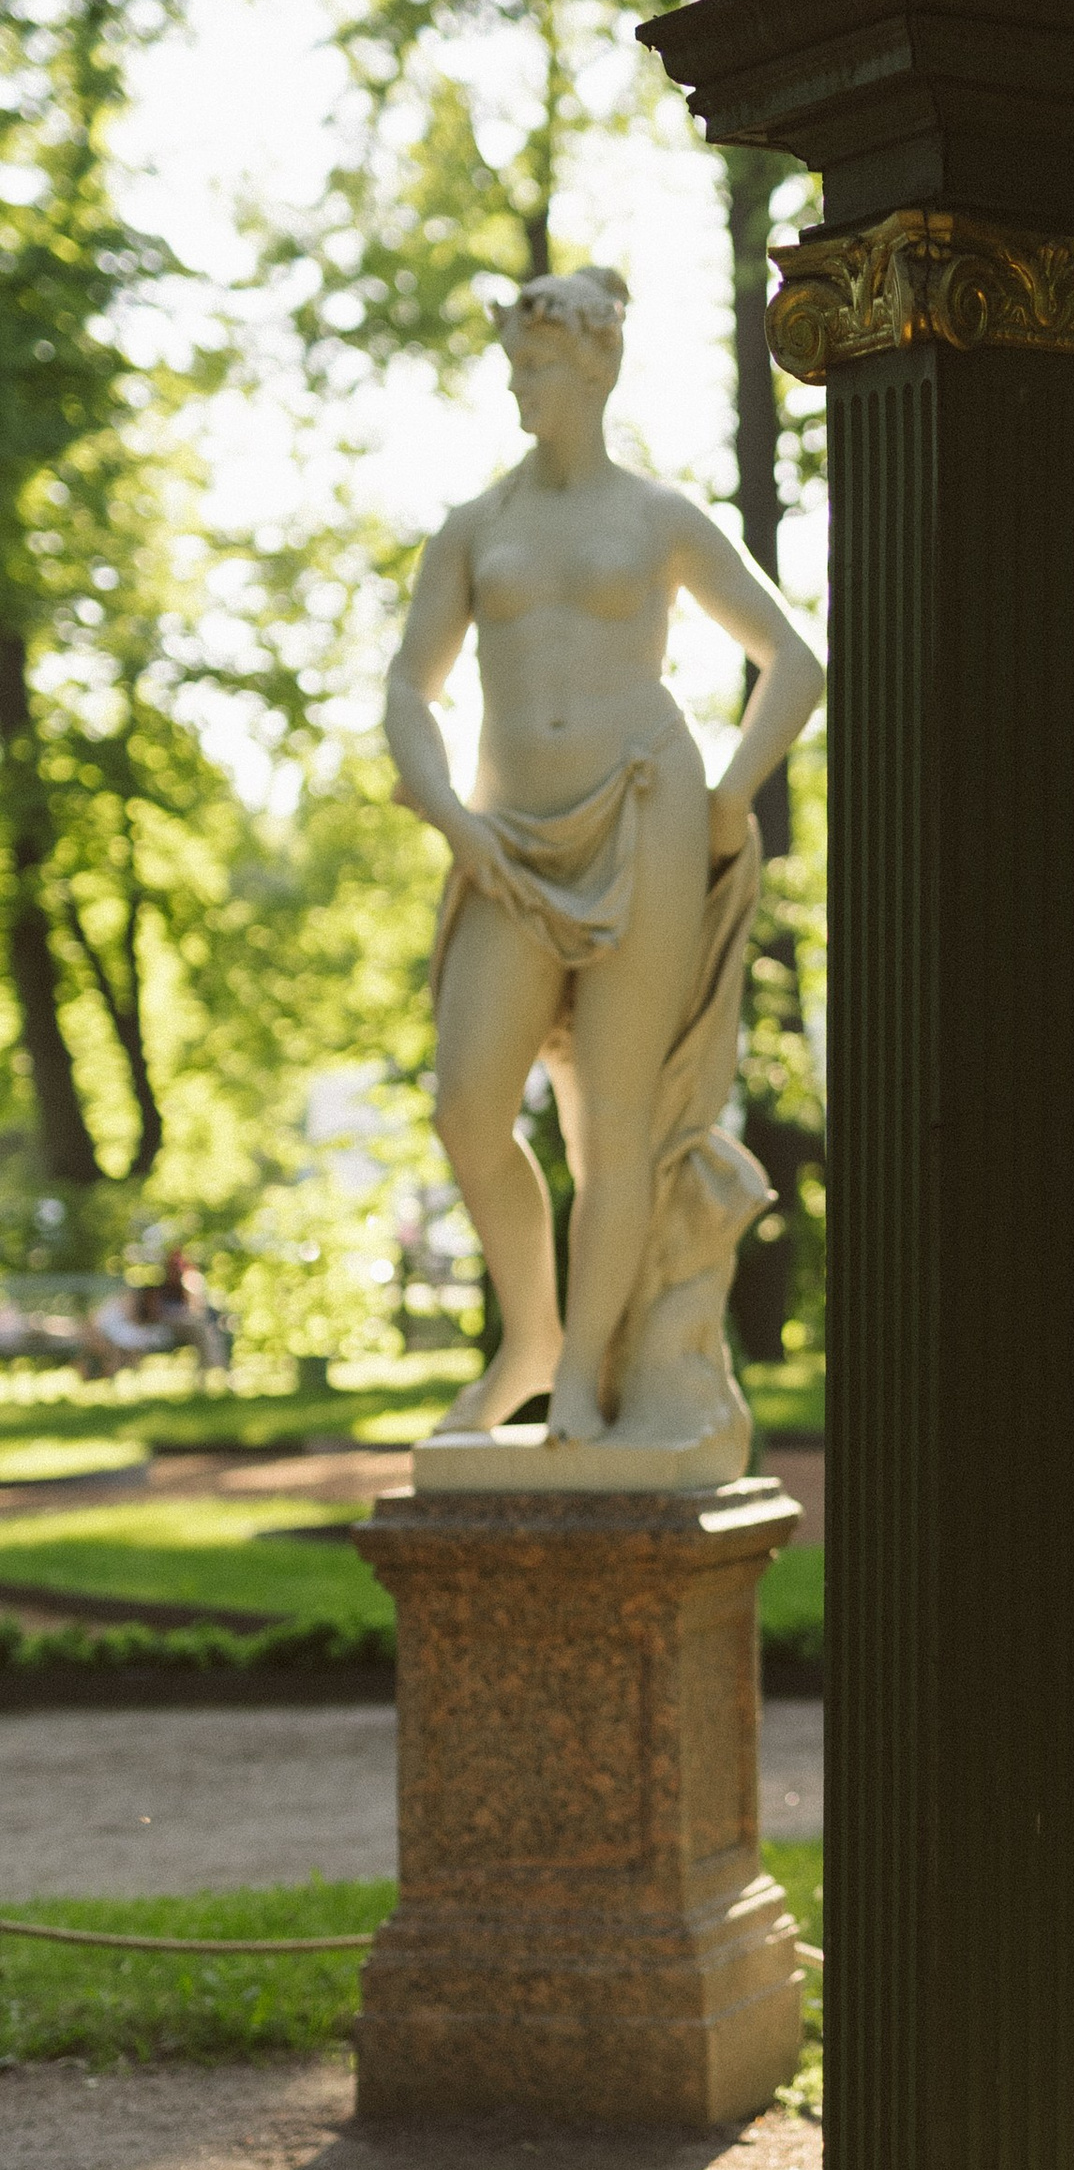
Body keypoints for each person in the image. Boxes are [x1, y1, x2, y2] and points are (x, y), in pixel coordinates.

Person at [385, 267, 823, 1445]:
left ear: (595, 368)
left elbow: (794, 660)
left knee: (610, 1125)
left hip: (645, 810)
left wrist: (730, 798)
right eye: (515, 365)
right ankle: (528, 1338)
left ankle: (583, 1378)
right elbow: (409, 690)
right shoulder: (477, 527)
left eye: (537, 364)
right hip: (505, 839)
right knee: (471, 1108)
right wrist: (450, 817)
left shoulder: (658, 517)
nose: (519, 384)